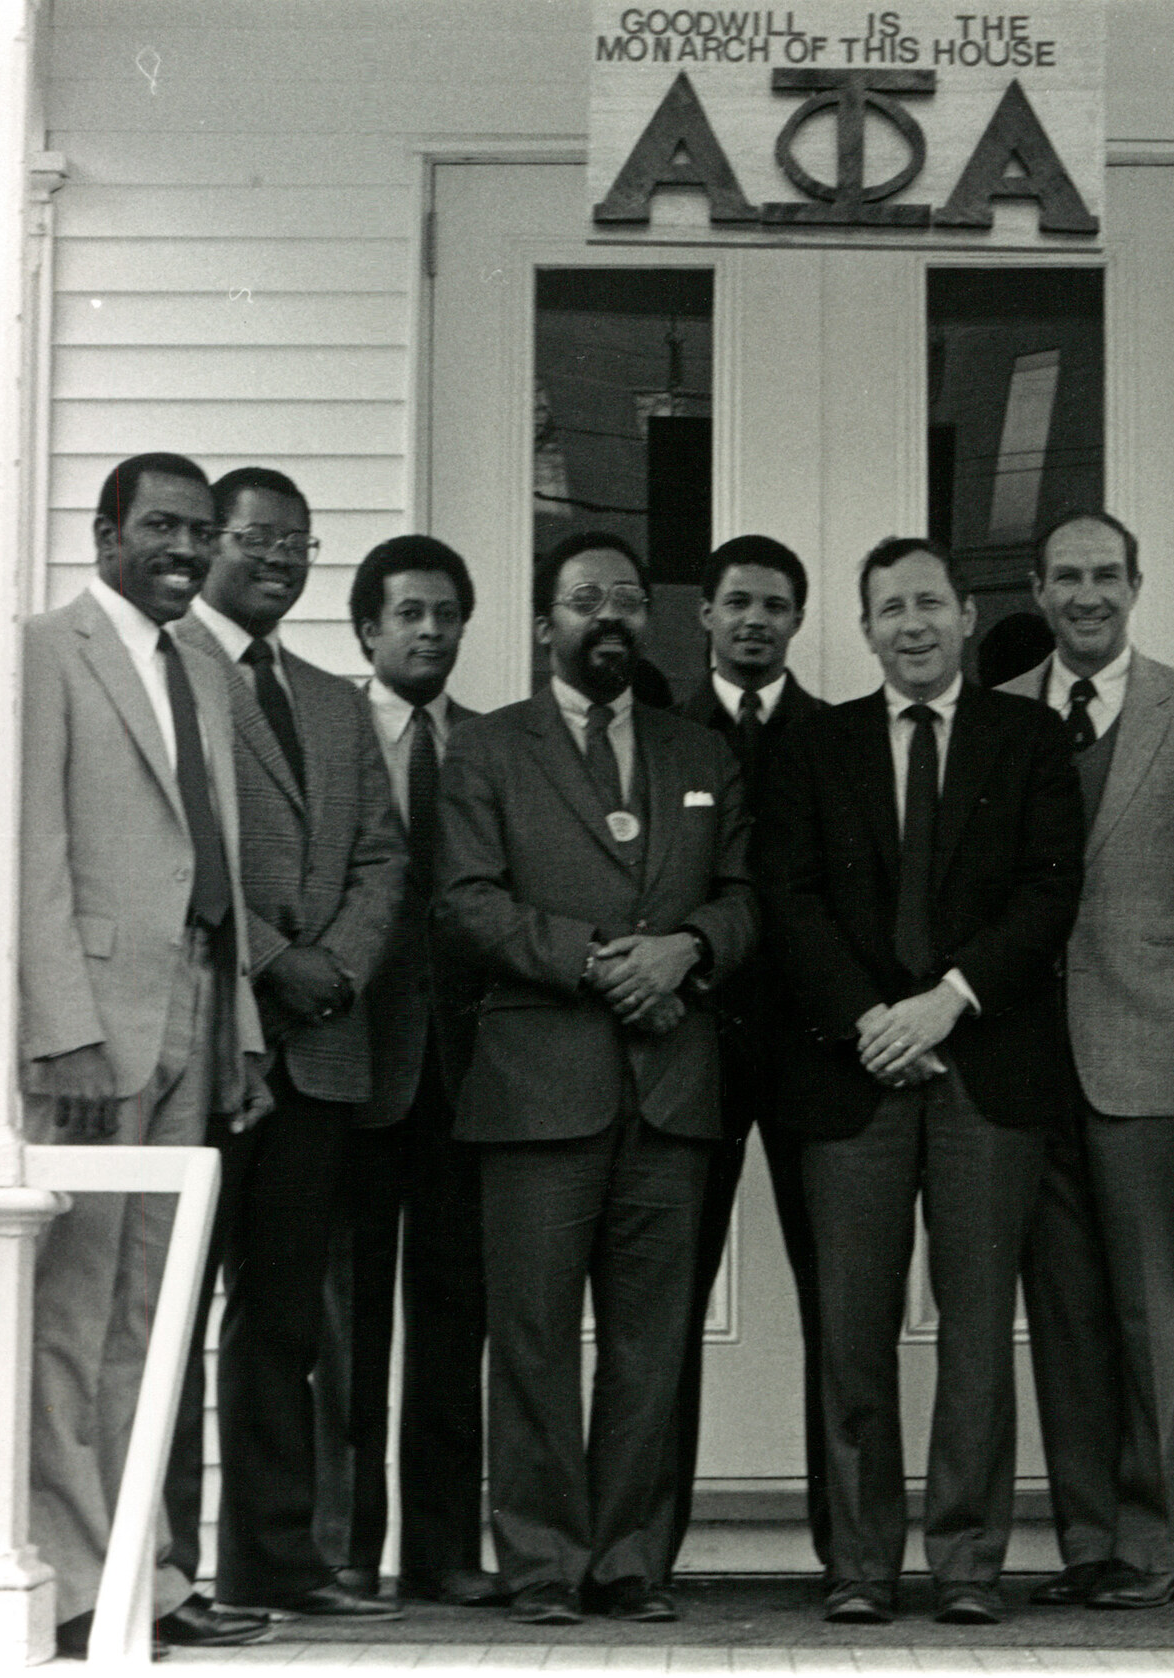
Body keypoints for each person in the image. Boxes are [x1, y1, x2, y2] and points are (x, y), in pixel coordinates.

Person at [759, 537, 1084, 1627]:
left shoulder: (1028, 738)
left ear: (966, 614)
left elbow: (1049, 893)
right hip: (854, 1073)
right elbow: (791, 900)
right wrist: (871, 1021)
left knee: (977, 1328)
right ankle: (859, 1562)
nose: (912, 624)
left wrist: (947, 1000)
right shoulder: (815, 747)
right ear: (864, 628)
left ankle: (967, 1563)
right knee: (852, 1329)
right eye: (890, 607)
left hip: (986, 1065)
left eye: (930, 604)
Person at [435, 531, 758, 1626]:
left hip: (669, 1088)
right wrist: (593, 960)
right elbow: (467, 900)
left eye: (625, 597)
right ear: (545, 625)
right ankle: (540, 1562)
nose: (607, 615)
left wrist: (689, 948)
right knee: (529, 1338)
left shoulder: (698, 753)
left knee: (648, 1342)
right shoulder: (487, 750)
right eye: (584, 600)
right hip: (537, 1088)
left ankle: (627, 1559)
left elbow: (747, 894)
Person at [18, 452, 274, 1656]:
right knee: (74, 1314)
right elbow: (31, 850)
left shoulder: (203, 667)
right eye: (163, 525)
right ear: (107, 529)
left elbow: (214, 855)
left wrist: (244, 1032)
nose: (186, 546)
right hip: (95, 1020)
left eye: (201, 529)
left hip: (200, 1001)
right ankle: (70, 1578)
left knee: (152, 1312)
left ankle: (143, 1573)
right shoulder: (47, 649)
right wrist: (58, 1025)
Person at [165, 467, 407, 1621]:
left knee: (286, 1316)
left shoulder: (330, 698)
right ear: (214, 541)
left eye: (299, 543)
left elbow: (382, 855)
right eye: (258, 537)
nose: (279, 558)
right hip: (212, 1042)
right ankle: (160, 1569)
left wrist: (339, 966)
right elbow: (173, 845)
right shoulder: (166, 670)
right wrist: (271, 958)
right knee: (168, 1311)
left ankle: (276, 1559)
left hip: (320, 1051)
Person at [997, 511, 1174, 1611]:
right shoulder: (1000, 715)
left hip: (1155, 1047)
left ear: (1138, 582)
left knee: (1151, 1309)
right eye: (1066, 577)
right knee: (1066, 1310)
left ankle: (1154, 1538)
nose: (1088, 595)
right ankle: (1088, 1537)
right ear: (1036, 590)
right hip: (1028, 1061)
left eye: (1106, 575)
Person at [310, 536, 499, 1607]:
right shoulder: (329, 735)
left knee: (451, 1313)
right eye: (410, 614)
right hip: (354, 1060)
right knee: (347, 1314)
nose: (431, 631)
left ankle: (440, 1547)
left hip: (467, 1074)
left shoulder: (493, 744)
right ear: (368, 630)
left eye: (447, 614)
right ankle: (343, 1545)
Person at [668, 535, 831, 1567]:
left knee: (839, 1301)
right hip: (694, 1046)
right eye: (736, 602)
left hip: (814, 1050)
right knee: (669, 1297)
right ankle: (651, 1544)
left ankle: (844, 1544)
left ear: (798, 620)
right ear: (705, 615)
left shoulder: (836, 735)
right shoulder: (663, 730)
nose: (754, 620)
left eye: (775, 605)